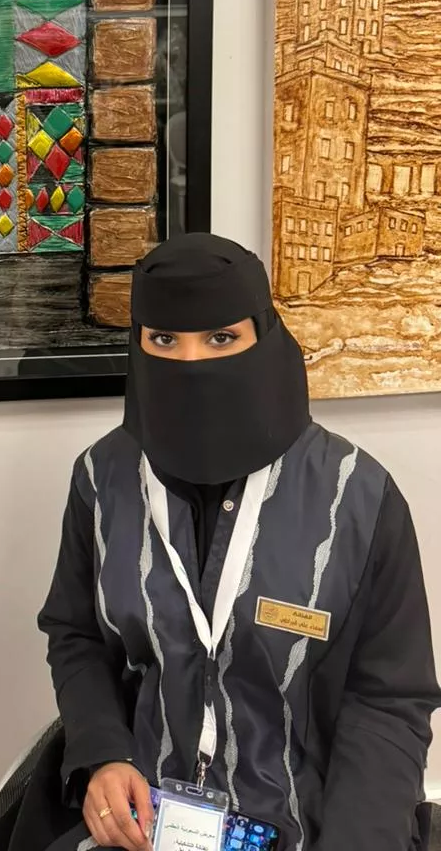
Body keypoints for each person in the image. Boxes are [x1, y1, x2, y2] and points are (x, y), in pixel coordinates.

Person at [38, 233, 440, 851]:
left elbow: (388, 698)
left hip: (306, 825)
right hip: (142, 822)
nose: (191, 362)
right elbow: (76, 634)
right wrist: (103, 755)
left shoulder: (358, 498)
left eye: (222, 338)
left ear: (264, 336)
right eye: (164, 340)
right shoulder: (102, 479)